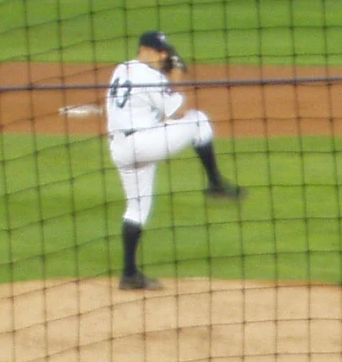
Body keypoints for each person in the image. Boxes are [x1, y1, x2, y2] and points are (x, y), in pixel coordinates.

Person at [104, 32, 244, 290]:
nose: (164, 55)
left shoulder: (121, 69)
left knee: (137, 209)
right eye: (160, 51)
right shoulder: (151, 76)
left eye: (165, 52)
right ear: (144, 49)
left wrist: (165, 75)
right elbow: (176, 112)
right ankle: (215, 184)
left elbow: (158, 109)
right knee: (199, 120)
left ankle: (129, 274)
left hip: (120, 148)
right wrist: (175, 74)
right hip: (144, 143)